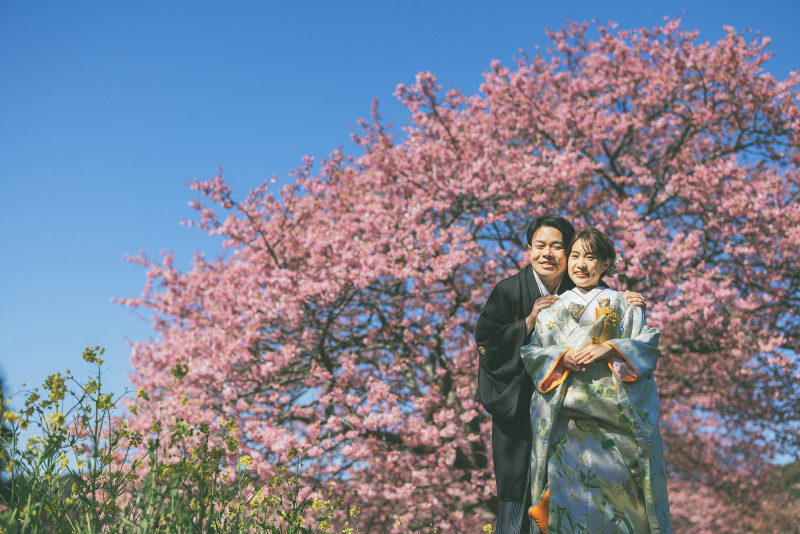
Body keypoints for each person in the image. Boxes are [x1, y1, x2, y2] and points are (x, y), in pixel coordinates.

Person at [475, 215, 646, 534]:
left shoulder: (590, 292)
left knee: (573, 499)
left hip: (572, 415)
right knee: (517, 499)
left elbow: (617, 335)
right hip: (520, 407)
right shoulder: (508, 290)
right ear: (529, 249)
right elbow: (487, 343)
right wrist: (528, 322)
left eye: (557, 246)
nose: (547, 253)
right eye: (540, 245)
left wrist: (630, 306)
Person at [521, 228, 671, 533]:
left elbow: (647, 347)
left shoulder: (624, 303)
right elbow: (532, 353)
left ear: (605, 264)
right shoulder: (551, 308)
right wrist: (559, 357)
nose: (580, 264)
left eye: (590, 257)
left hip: (616, 427)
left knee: (620, 510)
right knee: (568, 510)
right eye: (575, 256)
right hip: (565, 426)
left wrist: (612, 347)